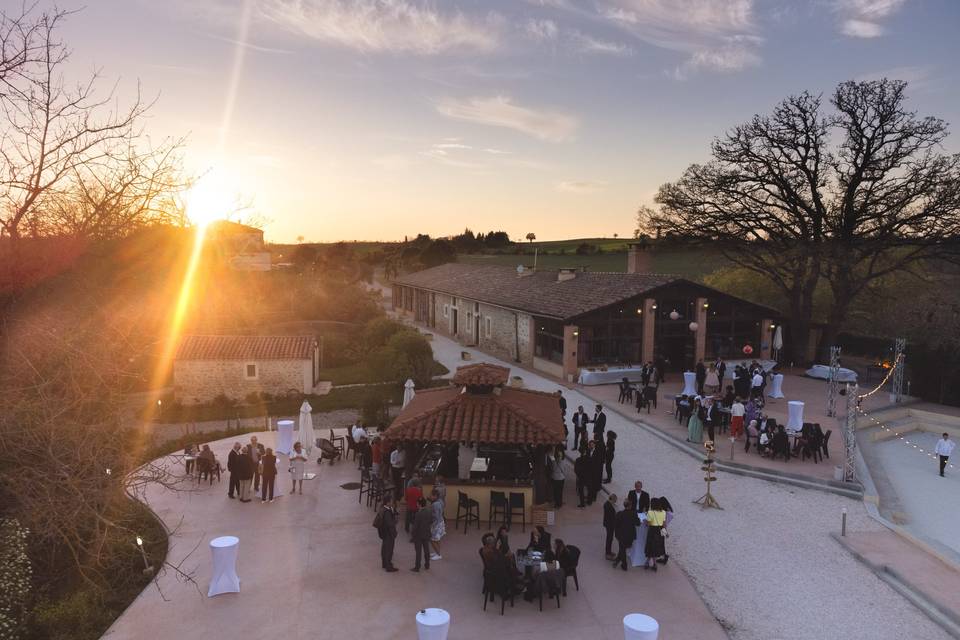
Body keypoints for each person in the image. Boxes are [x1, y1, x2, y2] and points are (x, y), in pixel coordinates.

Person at [613, 498, 640, 571]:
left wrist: (616, 535)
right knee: (623, 549)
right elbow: (638, 523)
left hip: (621, 535)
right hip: (630, 535)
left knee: (622, 549)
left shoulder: (619, 514)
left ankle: (624, 565)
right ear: (630, 506)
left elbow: (616, 525)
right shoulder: (634, 514)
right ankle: (618, 561)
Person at [644, 498, 667, 571]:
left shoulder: (650, 512)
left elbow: (647, 524)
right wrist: (665, 532)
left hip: (652, 531)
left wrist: (645, 519)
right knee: (655, 548)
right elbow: (664, 524)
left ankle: (648, 563)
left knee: (650, 547)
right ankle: (653, 563)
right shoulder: (663, 512)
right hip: (659, 531)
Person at [410, 497, 434, 572]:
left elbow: (415, 526)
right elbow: (431, 521)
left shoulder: (418, 514)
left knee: (418, 551)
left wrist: (413, 535)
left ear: (419, 504)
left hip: (418, 535)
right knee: (426, 549)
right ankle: (427, 564)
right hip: (426, 533)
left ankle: (417, 567)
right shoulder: (429, 511)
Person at [378, 498, 399, 572]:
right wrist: (395, 521)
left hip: (384, 532)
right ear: (387, 503)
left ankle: (384, 563)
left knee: (384, 548)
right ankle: (388, 566)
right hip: (389, 533)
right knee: (389, 549)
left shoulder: (382, 509)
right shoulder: (387, 512)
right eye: (391, 502)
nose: (392, 503)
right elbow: (390, 524)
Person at [429, 489, 446, 560]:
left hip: (436, 524)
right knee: (437, 539)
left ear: (435, 496)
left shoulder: (435, 504)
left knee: (432, 539)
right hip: (441, 522)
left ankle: (438, 554)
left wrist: (432, 525)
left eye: (431, 495)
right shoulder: (441, 501)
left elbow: (436, 516)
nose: (430, 497)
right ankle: (437, 552)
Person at [587, 439, 604, 505]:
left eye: (592, 445)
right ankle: (589, 500)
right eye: (590, 445)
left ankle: (593, 497)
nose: (591, 446)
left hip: (595, 472)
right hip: (589, 472)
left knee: (594, 486)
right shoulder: (588, 451)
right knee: (589, 486)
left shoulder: (597, 452)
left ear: (594, 445)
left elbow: (598, 463)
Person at [603, 493, 618, 560]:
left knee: (610, 538)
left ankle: (609, 552)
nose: (615, 501)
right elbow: (611, 516)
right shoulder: (608, 506)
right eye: (615, 500)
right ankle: (607, 554)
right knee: (609, 539)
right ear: (612, 499)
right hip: (610, 525)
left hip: (609, 524)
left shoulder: (608, 504)